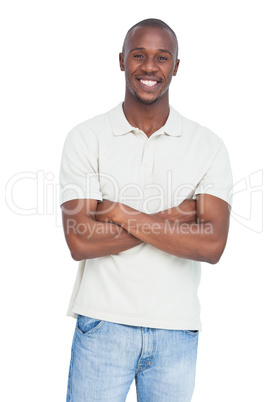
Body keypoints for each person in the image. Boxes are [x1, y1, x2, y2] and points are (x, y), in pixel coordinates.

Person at [60, 18, 232, 402]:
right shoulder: (86, 138)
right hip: (103, 324)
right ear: (122, 61)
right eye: (139, 56)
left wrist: (119, 212)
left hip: (176, 330)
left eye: (162, 57)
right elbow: (79, 241)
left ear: (176, 66)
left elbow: (212, 246)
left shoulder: (208, 146)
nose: (150, 67)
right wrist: (176, 217)